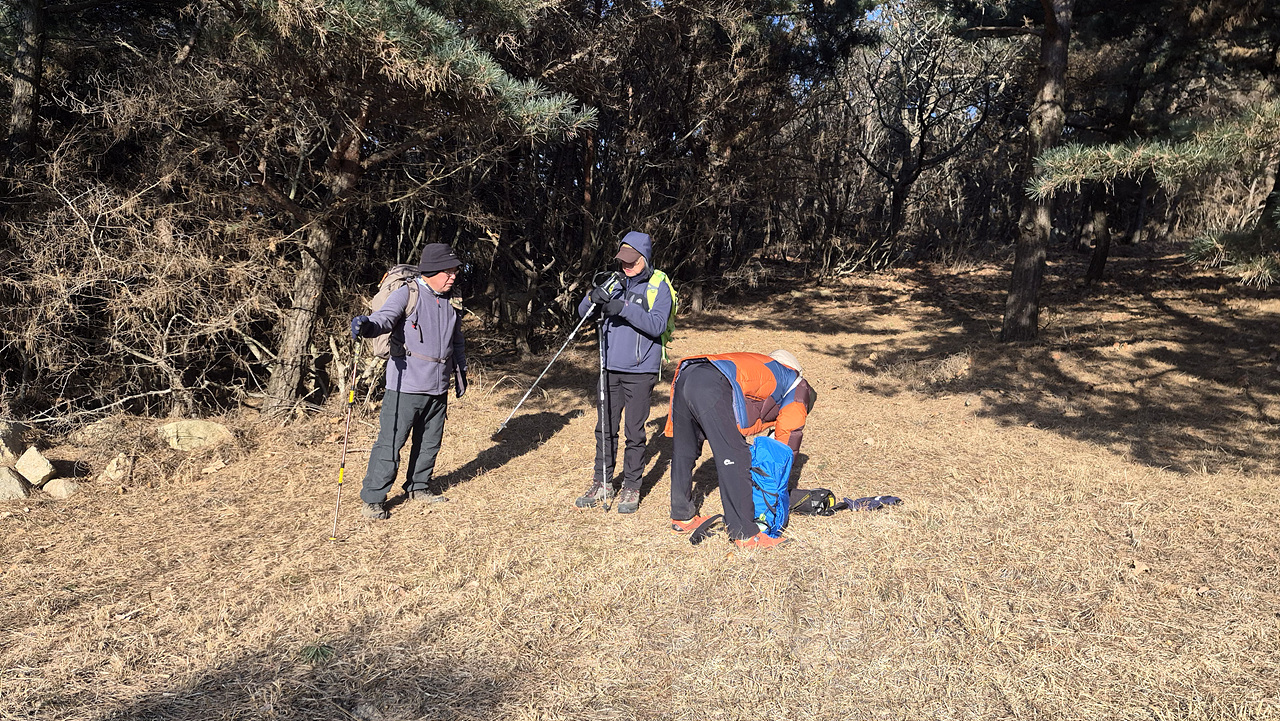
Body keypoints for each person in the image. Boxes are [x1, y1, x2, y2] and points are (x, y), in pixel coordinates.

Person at [349, 244, 467, 519]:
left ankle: (419, 486)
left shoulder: (451, 300)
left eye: (455, 271)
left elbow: (457, 340)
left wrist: (460, 372)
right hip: (405, 386)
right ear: (431, 271)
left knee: (429, 442)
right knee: (390, 443)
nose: (453, 277)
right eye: (448, 272)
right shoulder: (407, 293)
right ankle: (373, 498)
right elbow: (384, 319)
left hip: (439, 386)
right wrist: (368, 326)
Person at [664, 350, 816, 549]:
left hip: (687, 373)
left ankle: (683, 516)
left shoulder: (764, 367)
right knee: (736, 456)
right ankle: (744, 533)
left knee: (685, 451)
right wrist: (777, 482)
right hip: (711, 382)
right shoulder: (796, 384)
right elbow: (786, 441)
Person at [574, 231, 675, 514]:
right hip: (609, 368)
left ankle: (631, 486)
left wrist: (624, 307)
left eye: (633, 260)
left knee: (634, 432)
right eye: (623, 260)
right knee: (605, 429)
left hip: (641, 370)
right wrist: (592, 297)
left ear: (645, 258)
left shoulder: (659, 286)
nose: (627, 265)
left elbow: (657, 325)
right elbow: (583, 312)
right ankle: (602, 482)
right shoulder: (613, 281)